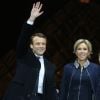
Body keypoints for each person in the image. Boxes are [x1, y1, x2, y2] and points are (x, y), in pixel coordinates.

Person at [3, 1, 57, 100]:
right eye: (38, 43)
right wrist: (31, 19)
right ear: (31, 46)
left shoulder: (51, 66)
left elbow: (51, 89)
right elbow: (22, 40)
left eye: (43, 44)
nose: (41, 46)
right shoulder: (24, 56)